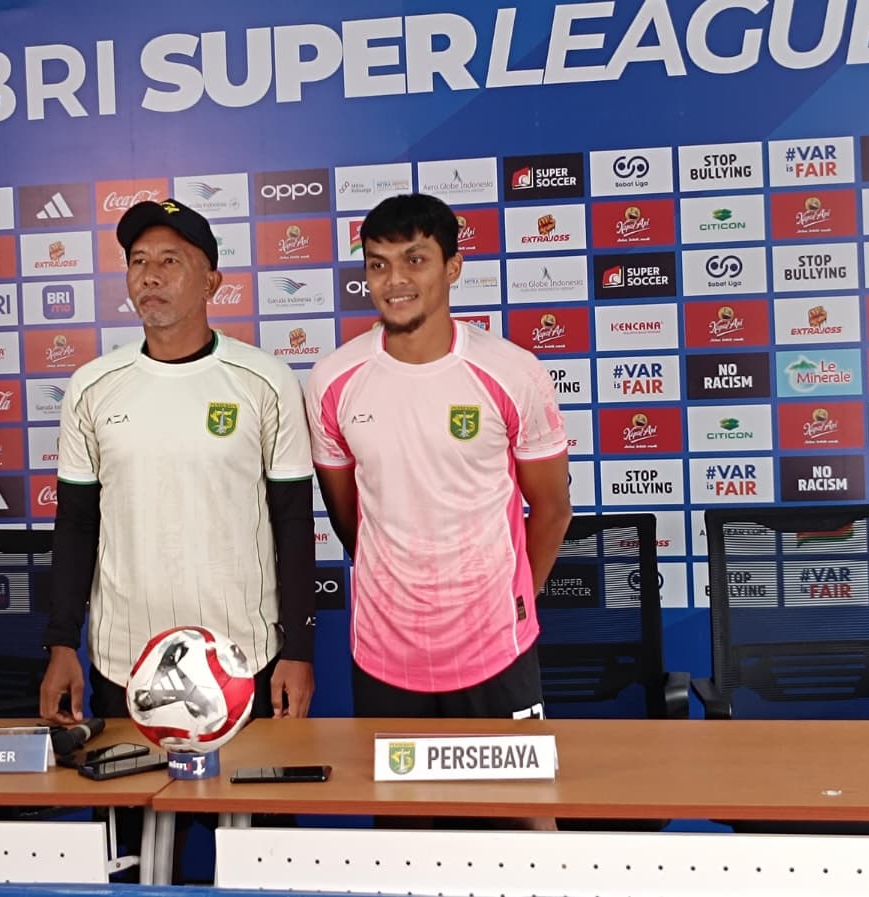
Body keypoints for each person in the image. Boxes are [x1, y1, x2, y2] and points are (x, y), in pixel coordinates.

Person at [39, 198, 317, 877]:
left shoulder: (265, 381)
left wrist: (299, 651)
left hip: (242, 661)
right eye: (138, 262)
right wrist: (60, 643)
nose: (151, 275)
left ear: (212, 280)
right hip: (126, 664)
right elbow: (75, 525)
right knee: (134, 860)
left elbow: (292, 523)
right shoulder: (93, 386)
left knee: (257, 860)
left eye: (171, 260)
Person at [304, 192, 572, 730]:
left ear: (453, 267)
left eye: (415, 260)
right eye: (378, 265)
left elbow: (551, 509)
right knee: (394, 789)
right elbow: (349, 518)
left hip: (497, 647)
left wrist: (507, 597)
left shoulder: (513, 372)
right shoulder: (332, 380)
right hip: (385, 652)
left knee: (518, 789)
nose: (395, 280)